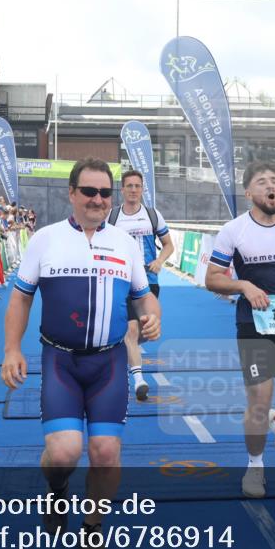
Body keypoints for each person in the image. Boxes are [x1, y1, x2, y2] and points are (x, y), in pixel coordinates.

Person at [1, 157, 160, 549]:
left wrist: (152, 315)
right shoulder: (46, 239)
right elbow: (21, 298)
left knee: (105, 453)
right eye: (89, 191)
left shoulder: (125, 243)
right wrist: (12, 349)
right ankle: (57, 490)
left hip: (109, 363)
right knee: (63, 454)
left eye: (105, 192)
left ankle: (92, 525)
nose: (98, 199)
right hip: (61, 361)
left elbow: (144, 296)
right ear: (71, 193)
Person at [204, 161, 275, 499]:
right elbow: (212, 279)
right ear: (248, 193)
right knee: (259, 399)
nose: (271, 186)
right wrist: (243, 285)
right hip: (252, 323)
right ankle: (255, 466)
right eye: (262, 182)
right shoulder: (234, 231)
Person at [109, 170, 175, 399]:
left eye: (137, 186)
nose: (134, 190)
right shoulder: (112, 217)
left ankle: (124, 350)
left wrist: (159, 260)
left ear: (142, 189)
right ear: (122, 189)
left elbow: (168, 245)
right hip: (123, 282)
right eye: (129, 186)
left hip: (149, 282)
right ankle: (139, 380)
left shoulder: (153, 215)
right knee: (131, 329)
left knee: (145, 331)